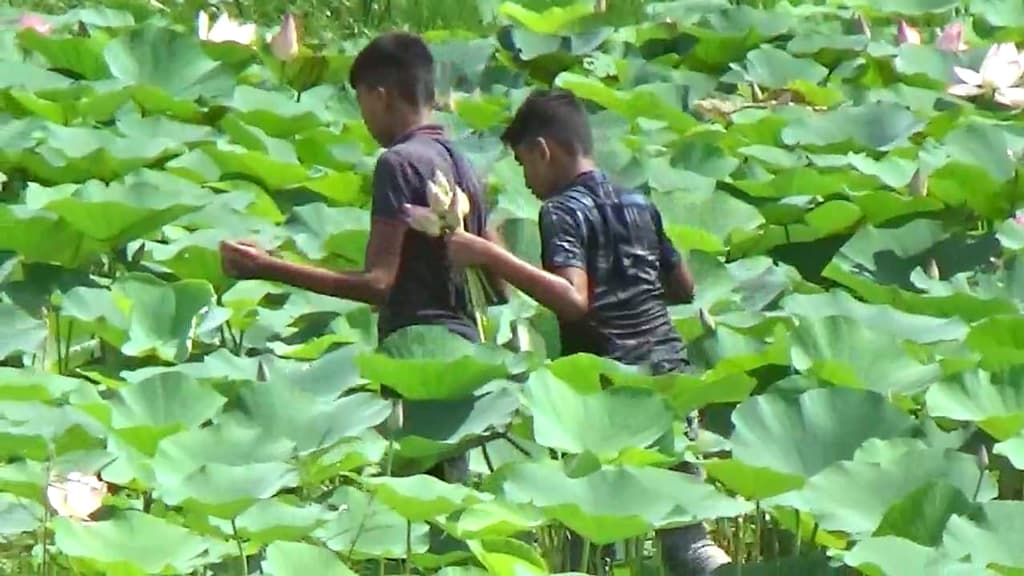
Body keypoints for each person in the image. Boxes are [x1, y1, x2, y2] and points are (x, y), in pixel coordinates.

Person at [443, 89, 731, 575]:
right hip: (670, 378)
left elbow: (575, 301)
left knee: (590, 543)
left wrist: (490, 254)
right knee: (687, 544)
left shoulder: (561, 211)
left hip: (608, 391)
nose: (529, 182)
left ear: (543, 150)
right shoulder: (639, 203)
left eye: (524, 164)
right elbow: (682, 287)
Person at [219, 31, 504, 482]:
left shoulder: (399, 163)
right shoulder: (466, 164)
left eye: (363, 103)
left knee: (419, 496)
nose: (365, 117)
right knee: (452, 495)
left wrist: (268, 267)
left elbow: (378, 283)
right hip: (466, 351)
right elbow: (499, 285)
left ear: (381, 95)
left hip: (416, 354)